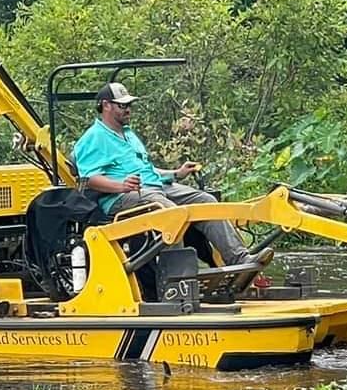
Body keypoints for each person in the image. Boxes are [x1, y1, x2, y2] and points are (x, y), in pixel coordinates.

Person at [71, 81, 251, 264]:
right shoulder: (94, 137)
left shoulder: (128, 134)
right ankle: (177, 281)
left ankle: (240, 259)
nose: (128, 110)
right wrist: (121, 186)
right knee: (172, 215)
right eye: (122, 105)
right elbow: (88, 179)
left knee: (206, 201)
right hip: (121, 198)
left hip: (154, 188)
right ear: (106, 105)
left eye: (129, 105)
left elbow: (146, 169)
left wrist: (175, 174)